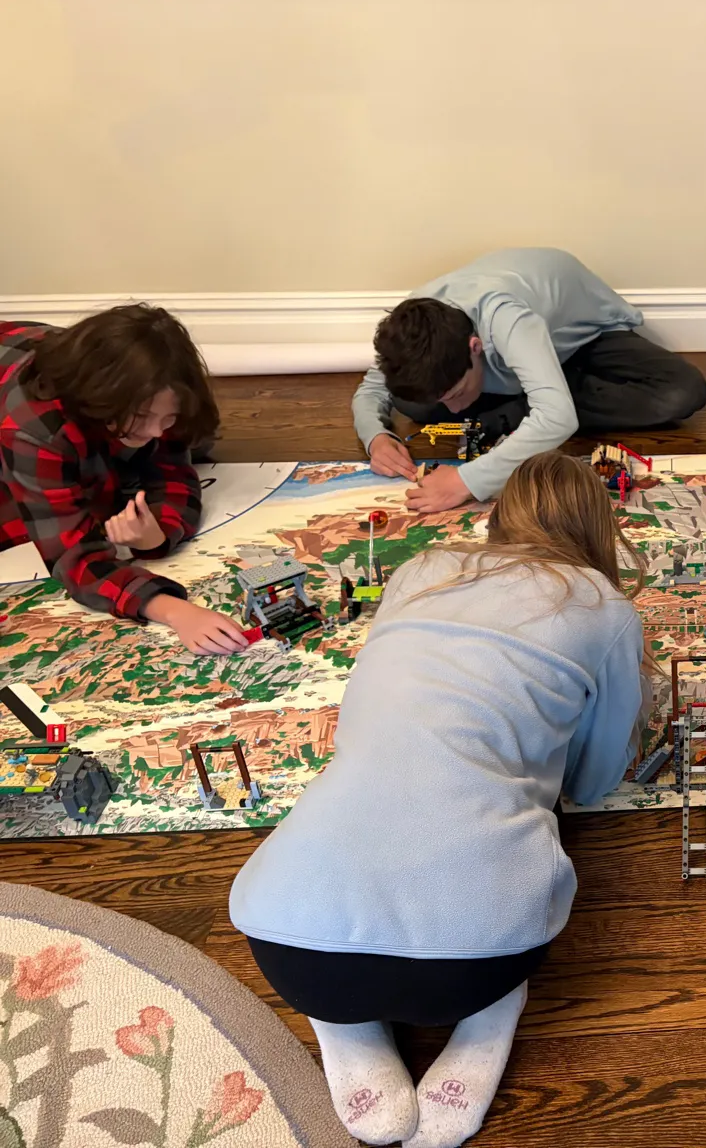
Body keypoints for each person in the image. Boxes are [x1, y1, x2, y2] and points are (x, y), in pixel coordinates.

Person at [229, 451, 650, 1148]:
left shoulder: (420, 570)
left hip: (286, 946)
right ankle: (490, 1015)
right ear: (596, 525)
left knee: (335, 888)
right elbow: (596, 781)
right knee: (504, 914)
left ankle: (344, 1022)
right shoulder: (603, 606)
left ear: (500, 513)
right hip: (481, 960)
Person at [352, 247, 706, 512]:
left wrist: (466, 480)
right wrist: (377, 438)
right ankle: (534, 398)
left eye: (458, 392)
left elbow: (559, 418)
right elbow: (371, 389)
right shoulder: (413, 325)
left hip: (580, 341)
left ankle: (530, 401)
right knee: (410, 400)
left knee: (680, 393)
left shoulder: (505, 317)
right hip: (514, 362)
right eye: (448, 398)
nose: (455, 408)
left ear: (474, 347)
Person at [0, 307, 247, 654]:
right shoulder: (32, 431)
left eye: (168, 418)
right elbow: (75, 557)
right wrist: (176, 611)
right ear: (101, 400)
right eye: (143, 417)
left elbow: (175, 472)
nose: (155, 432)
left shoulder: (152, 389)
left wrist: (157, 535)